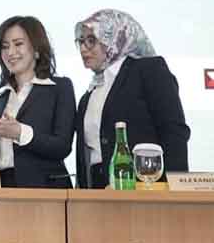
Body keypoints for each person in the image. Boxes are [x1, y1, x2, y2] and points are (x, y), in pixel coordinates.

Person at [74, 9, 190, 188]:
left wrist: (176, 187)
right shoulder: (89, 95)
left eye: (91, 40)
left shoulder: (149, 70)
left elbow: (173, 131)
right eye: (81, 41)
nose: (83, 48)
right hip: (97, 190)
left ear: (115, 38)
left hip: (146, 188)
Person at [0, 16, 76, 187]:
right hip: (0, 189)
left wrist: (20, 133)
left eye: (18, 44)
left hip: (45, 189)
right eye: (5, 47)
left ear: (37, 49)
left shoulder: (60, 88)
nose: (10, 53)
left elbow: (62, 146)